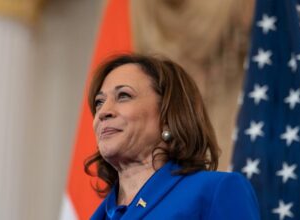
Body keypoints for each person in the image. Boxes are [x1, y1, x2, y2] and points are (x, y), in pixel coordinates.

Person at [84, 54, 260, 220]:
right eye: (99, 102)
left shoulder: (216, 191)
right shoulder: (102, 213)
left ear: (168, 115)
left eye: (123, 96)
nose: (103, 112)